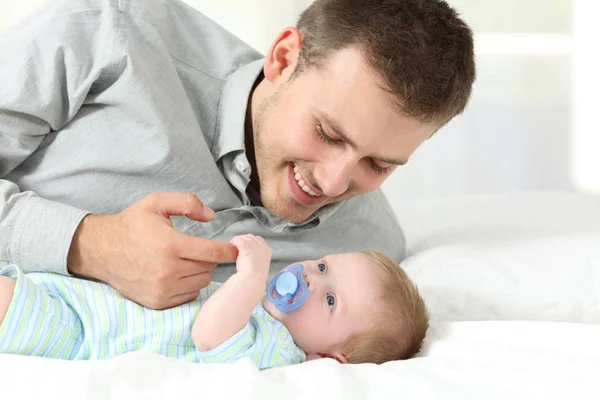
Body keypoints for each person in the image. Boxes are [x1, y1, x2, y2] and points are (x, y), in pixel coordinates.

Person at [0, 0, 475, 310]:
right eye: (328, 134)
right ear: (284, 58)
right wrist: (90, 244)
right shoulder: (109, 29)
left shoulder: (369, 248)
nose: (333, 185)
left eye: (379, 164)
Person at [0, 234, 429, 369]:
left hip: (81, 333)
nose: (310, 279)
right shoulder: (259, 309)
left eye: (331, 300)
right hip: (85, 297)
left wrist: (252, 274)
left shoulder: (276, 353)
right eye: (322, 266)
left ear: (331, 358)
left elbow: (208, 335)